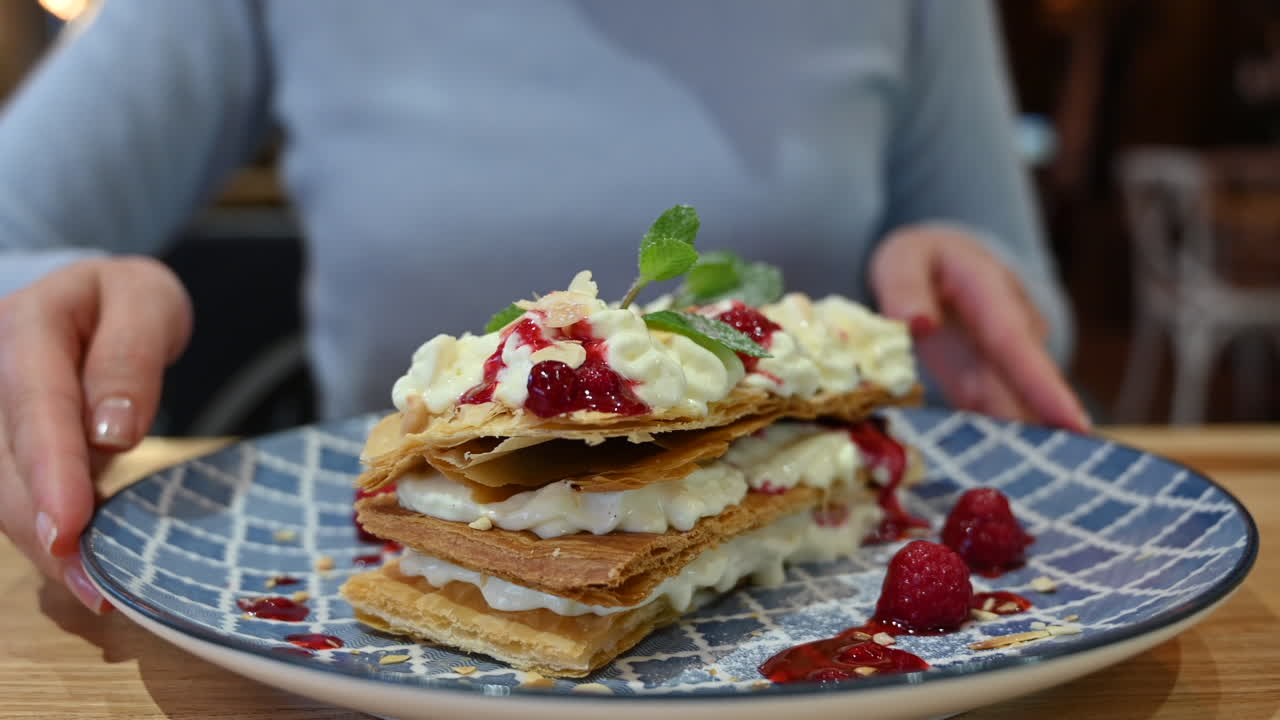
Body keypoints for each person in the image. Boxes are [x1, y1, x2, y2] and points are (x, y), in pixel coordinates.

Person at [0, 0, 1089, 615]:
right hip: (360, 620)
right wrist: (47, 295)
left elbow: (1018, 296)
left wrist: (959, 277)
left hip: (826, 582)